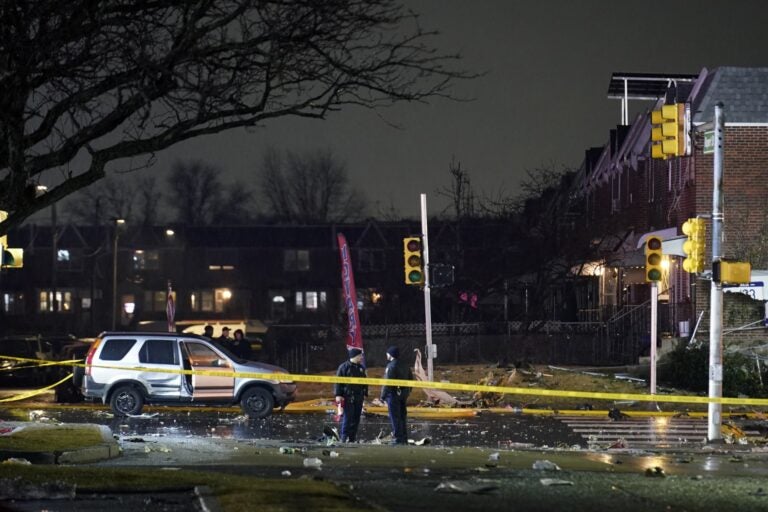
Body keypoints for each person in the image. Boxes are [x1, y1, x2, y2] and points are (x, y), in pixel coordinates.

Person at [334, 347, 368, 443]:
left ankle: (352, 438)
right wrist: (338, 394)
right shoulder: (344, 367)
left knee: (356, 418)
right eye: (360, 355)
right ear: (355, 356)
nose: (361, 357)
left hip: (359, 396)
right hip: (348, 396)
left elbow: (365, 381)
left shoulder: (361, 368)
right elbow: (338, 382)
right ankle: (344, 438)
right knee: (348, 417)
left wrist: (365, 393)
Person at [380, 345, 413, 445]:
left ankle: (398, 439)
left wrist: (383, 396)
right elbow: (411, 380)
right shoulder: (405, 365)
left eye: (387, 353)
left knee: (395, 417)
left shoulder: (391, 366)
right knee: (402, 416)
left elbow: (388, 382)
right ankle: (404, 438)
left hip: (393, 394)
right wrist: (407, 392)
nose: (386, 355)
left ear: (390, 355)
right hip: (403, 394)